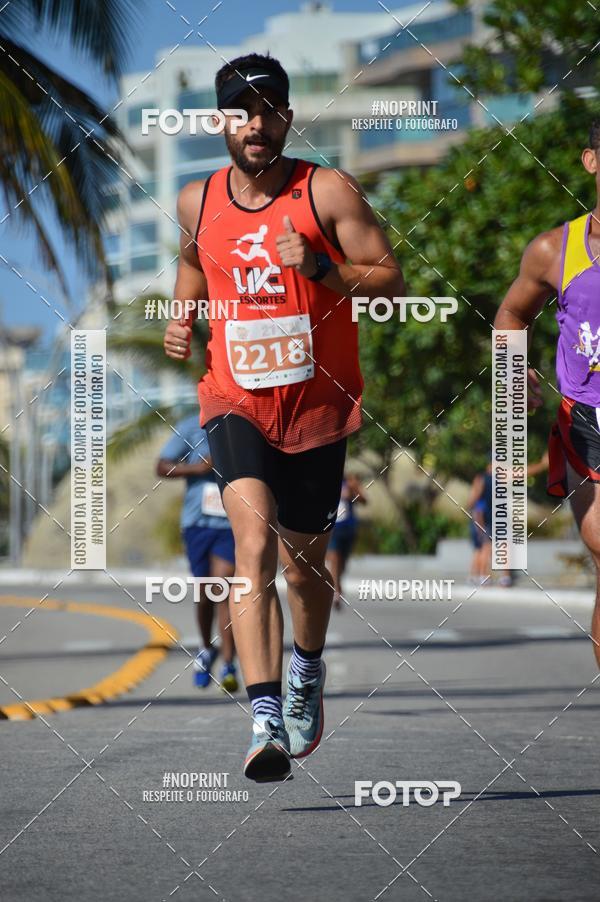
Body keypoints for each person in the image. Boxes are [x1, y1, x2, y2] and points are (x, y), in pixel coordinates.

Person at [163, 52, 404, 781]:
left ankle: (306, 667)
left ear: (288, 118)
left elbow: (391, 281)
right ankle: (264, 717)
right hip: (233, 399)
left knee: (305, 574)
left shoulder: (325, 190)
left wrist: (323, 269)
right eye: (242, 111)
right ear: (221, 122)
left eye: (269, 110)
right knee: (253, 545)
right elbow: (192, 263)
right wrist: (182, 317)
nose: (257, 124)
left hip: (317, 407)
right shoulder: (195, 200)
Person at [495, 117, 600, 665]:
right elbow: (511, 315)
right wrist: (518, 374)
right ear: (591, 161)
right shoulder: (554, 251)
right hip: (587, 420)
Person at [157, 413, 238, 692]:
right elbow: (161, 466)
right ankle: (206, 649)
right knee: (205, 592)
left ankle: (229, 663)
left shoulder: (241, 424)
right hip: (197, 524)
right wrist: (198, 469)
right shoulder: (190, 426)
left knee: (223, 590)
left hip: (231, 524)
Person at [326, 472, 367, 609]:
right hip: (333, 527)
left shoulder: (350, 481)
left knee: (343, 562)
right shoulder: (327, 480)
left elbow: (364, 501)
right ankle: (336, 591)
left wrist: (352, 494)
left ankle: (338, 583)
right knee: (334, 559)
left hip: (348, 528)